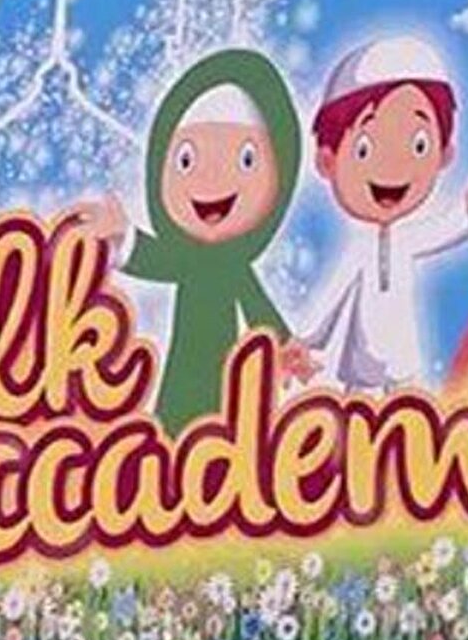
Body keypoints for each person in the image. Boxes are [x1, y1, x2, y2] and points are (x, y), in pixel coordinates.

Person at [78, 49, 302, 433]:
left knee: (225, 413)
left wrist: (284, 346)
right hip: (184, 372)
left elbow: (258, 307)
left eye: (247, 160)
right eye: (186, 160)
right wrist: (123, 235)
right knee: (178, 413)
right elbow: (157, 258)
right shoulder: (187, 257)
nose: (211, 180)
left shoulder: (234, 266)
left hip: (228, 376)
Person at [288, 34, 468, 394]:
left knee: (409, 408)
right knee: (355, 413)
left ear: (444, 156)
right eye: (364, 148)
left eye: (418, 145)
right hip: (360, 368)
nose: (392, 167)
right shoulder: (357, 247)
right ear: (328, 161)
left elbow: (441, 231)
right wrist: (303, 340)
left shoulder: (408, 239)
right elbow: (331, 295)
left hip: (403, 361)